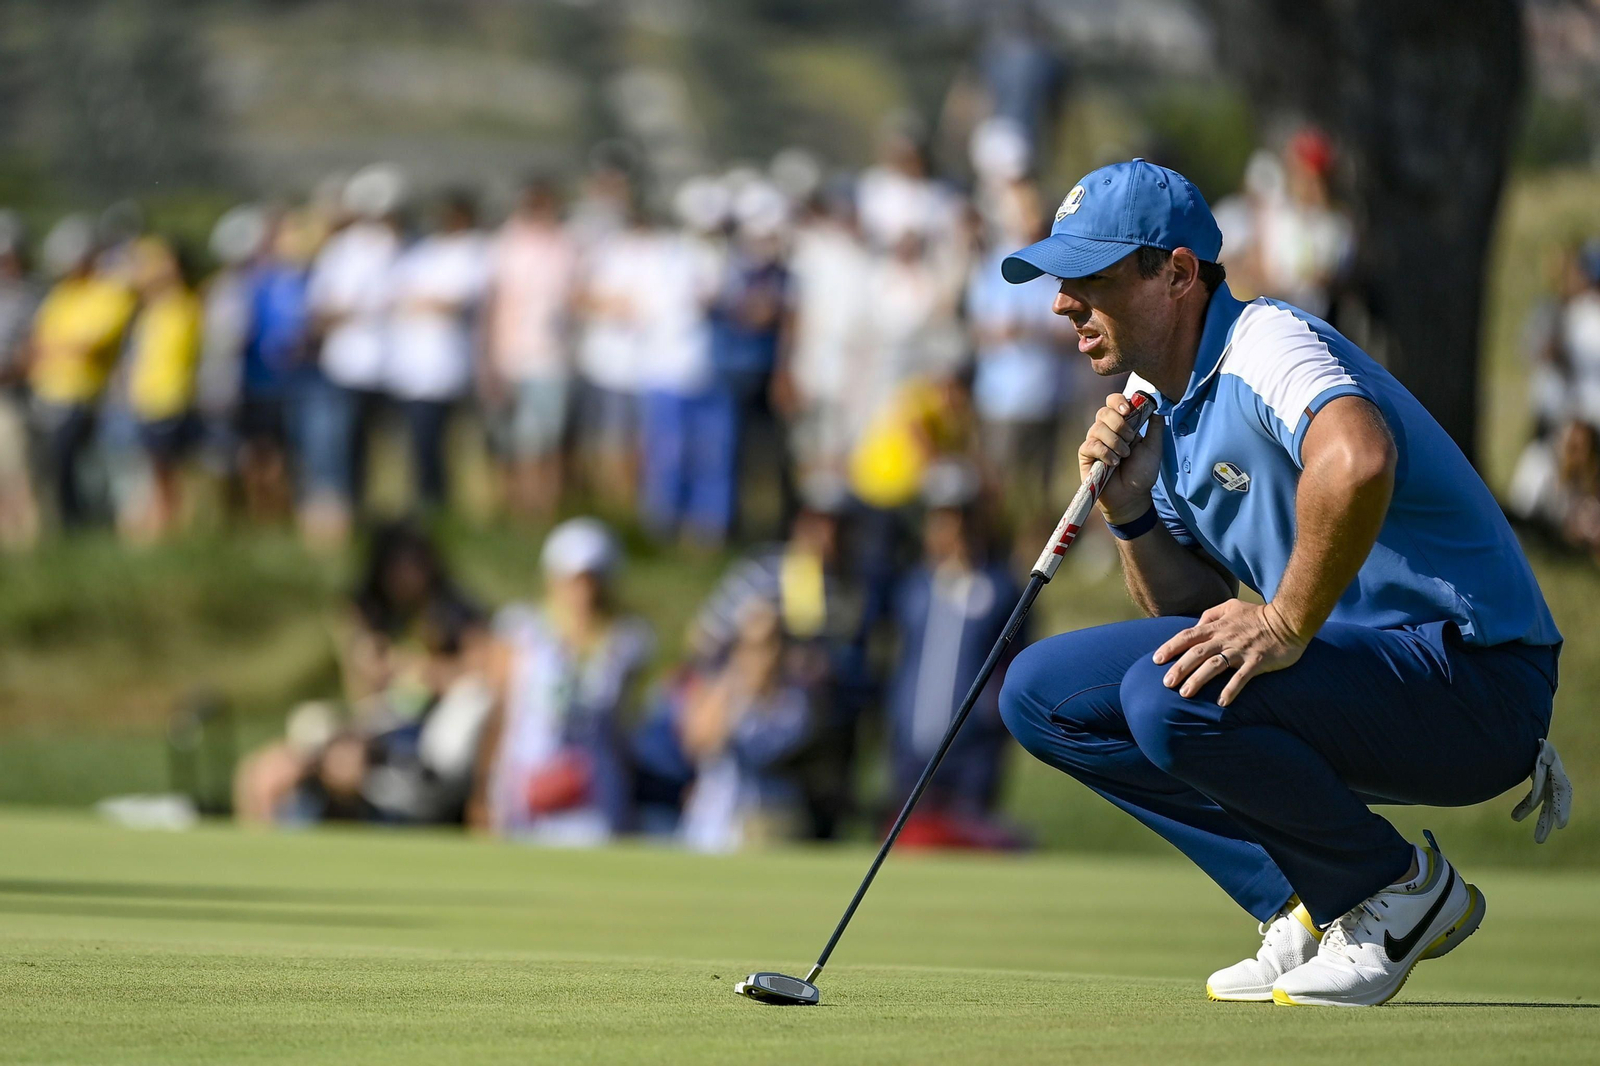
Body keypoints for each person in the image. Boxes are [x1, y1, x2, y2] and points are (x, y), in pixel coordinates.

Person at [996, 159, 1565, 1007]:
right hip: (1361, 680)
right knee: (1041, 695)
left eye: (1090, 277)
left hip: (1476, 682)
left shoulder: (1268, 344)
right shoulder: (1159, 400)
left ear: (1178, 273)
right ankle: (1302, 899)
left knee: (1168, 698)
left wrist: (1286, 621)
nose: (1061, 301)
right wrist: (1131, 513)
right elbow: (1190, 616)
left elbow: (1359, 457)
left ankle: (1394, 892)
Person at [471, 518, 654, 845]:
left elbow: (622, 728)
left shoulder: (627, 642)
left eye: (592, 580)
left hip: (594, 794)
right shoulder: (521, 630)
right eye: (574, 580)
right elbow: (498, 713)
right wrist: (482, 791)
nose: (583, 591)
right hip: (523, 787)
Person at [886, 462, 1024, 849]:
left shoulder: (1000, 587)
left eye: (961, 516)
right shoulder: (914, 585)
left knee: (968, 841)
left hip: (973, 748)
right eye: (943, 518)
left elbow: (1016, 660)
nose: (954, 529)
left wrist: (990, 715)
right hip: (912, 745)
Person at [303, 164, 404, 545]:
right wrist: (361, 311)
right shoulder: (343, 250)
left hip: (392, 369)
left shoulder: (401, 246)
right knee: (342, 454)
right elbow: (320, 312)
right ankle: (345, 525)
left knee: (384, 456)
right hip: (349, 369)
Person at [27, 216, 137, 529]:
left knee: (89, 471)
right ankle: (70, 528)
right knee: (59, 471)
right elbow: (37, 344)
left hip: (89, 398)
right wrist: (61, 348)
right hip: (50, 396)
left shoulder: (111, 292)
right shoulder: (61, 295)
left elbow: (86, 347)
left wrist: (56, 348)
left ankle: (91, 527)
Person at [482, 178, 580, 521]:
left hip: (551, 360)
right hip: (511, 359)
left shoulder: (567, 245)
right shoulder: (505, 245)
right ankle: (519, 513)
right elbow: (492, 306)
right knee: (514, 445)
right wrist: (490, 361)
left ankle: (544, 513)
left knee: (546, 443)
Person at [385, 191, 489, 511]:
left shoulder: (475, 251)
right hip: (415, 370)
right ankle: (428, 502)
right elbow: (396, 295)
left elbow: (453, 302)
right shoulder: (424, 252)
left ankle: (438, 504)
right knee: (420, 443)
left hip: (447, 368)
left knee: (446, 442)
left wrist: (420, 302)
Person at [124, 237, 205, 540]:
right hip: (147, 399)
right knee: (157, 470)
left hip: (171, 398)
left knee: (169, 470)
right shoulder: (151, 310)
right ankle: (163, 526)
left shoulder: (185, 305)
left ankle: (171, 528)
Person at [0, 214, 40, 548]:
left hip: (13, 397)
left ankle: (26, 542)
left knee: (18, 474)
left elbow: (33, 351)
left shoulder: (30, 296)